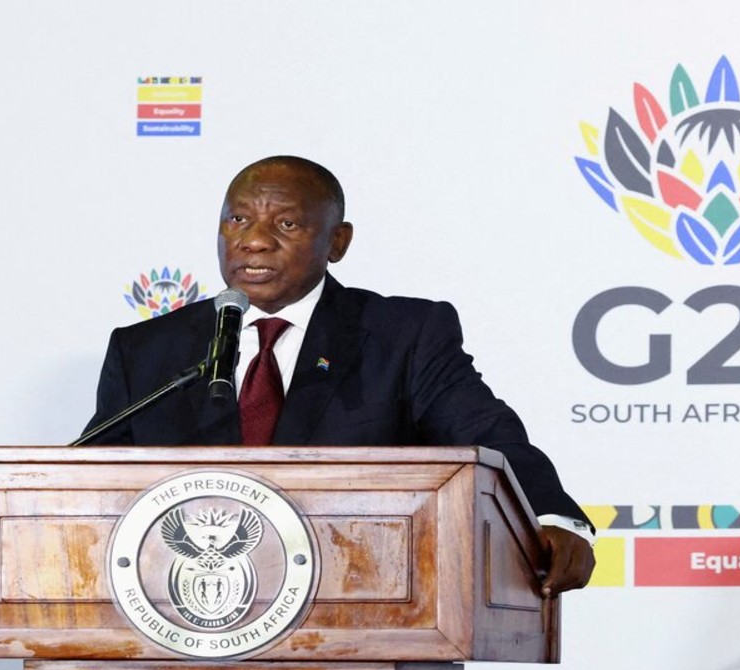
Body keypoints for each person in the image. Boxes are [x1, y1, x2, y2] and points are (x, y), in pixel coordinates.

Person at [85, 155, 595, 595]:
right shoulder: (146, 350)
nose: (253, 241)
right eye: (237, 219)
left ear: (338, 242)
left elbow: (486, 433)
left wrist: (550, 516)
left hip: (359, 595)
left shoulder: (402, 335)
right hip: (179, 606)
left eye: (285, 224)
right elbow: (95, 475)